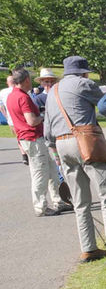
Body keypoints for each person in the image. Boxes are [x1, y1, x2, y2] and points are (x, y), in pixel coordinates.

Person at [44, 56, 106, 263]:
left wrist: (56, 155)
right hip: (86, 141)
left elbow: (47, 130)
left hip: (61, 144)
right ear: (83, 72)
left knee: (80, 202)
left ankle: (88, 248)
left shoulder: (53, 91)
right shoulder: (84, 84)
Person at [6, 68, 70, 217]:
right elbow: (31, 121)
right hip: (32, 138)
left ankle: (59, 201)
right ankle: (41, 207)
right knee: (40, 174)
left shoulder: (12, 96)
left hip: (29, 139)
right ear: (26, 80)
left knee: (52, 170)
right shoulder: (23, 97)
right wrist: (43, 115)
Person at [1, 74, 29, 165]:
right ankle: (27, 153)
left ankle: (24, 154)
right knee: (27, 135)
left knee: (19, 137)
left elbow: (1, 107)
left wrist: (6, 117)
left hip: (11, 119)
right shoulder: (21, 90)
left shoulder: (2, 92)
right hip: (23, 117)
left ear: (7, 83)